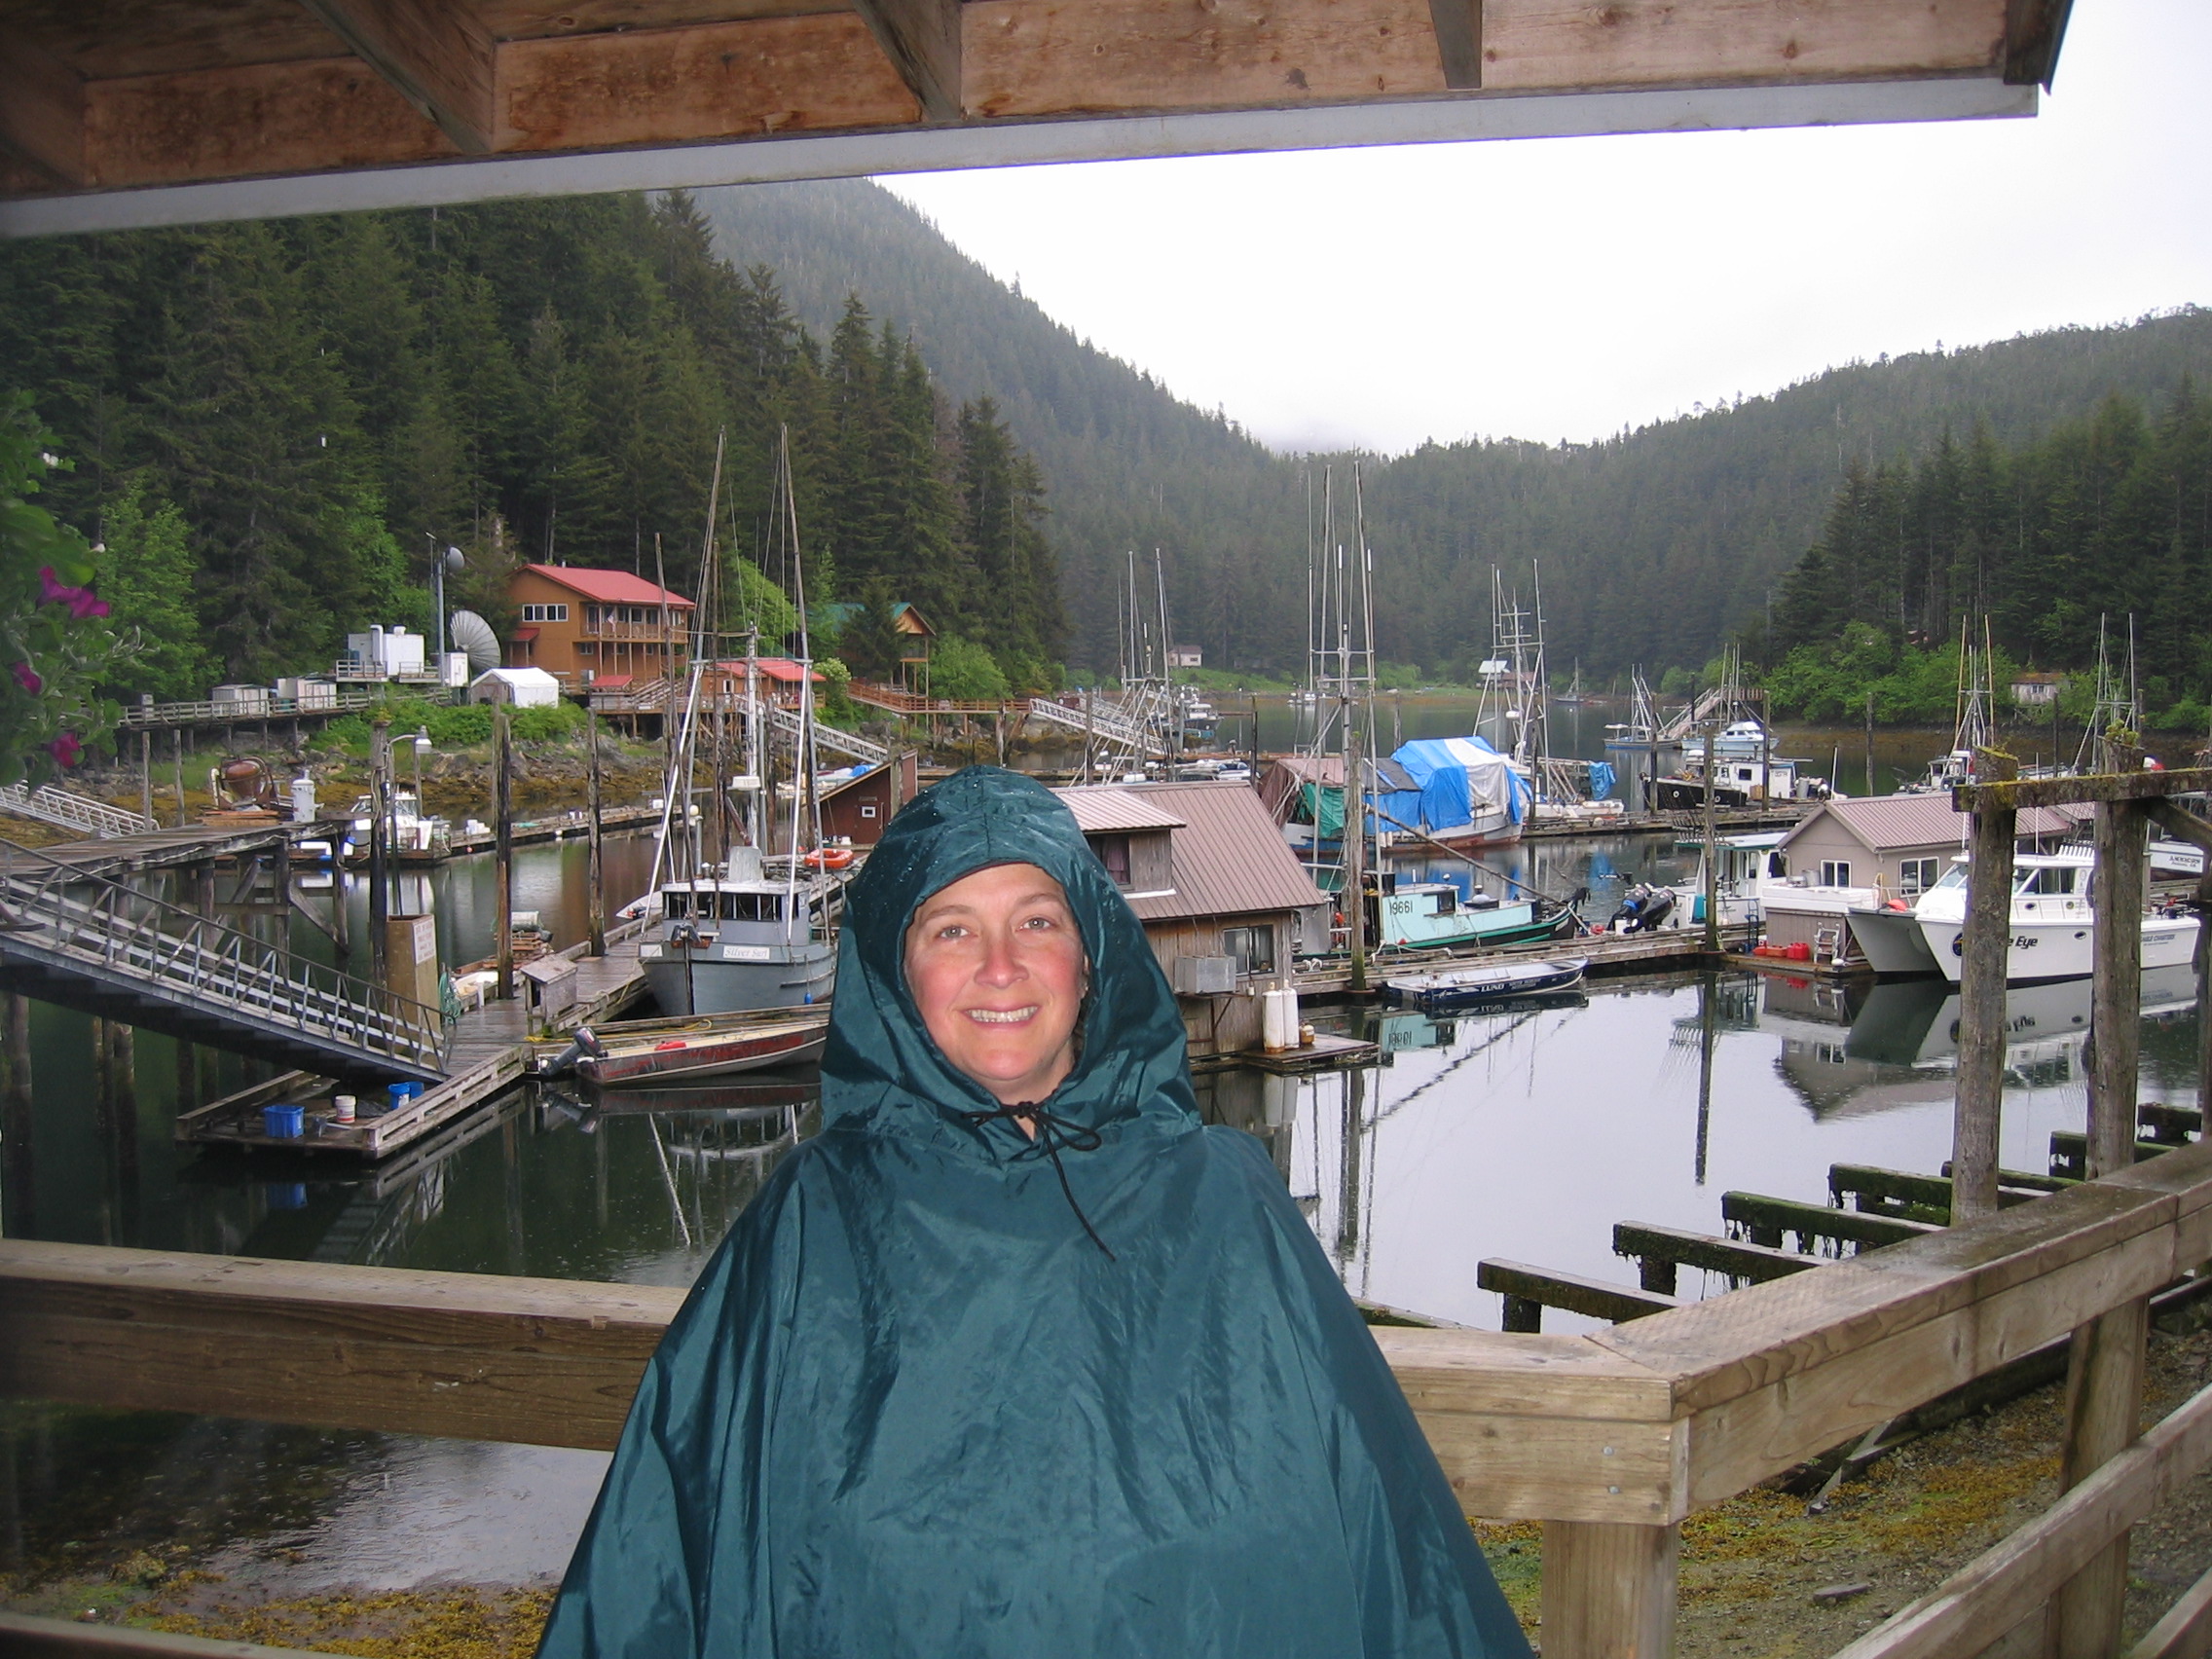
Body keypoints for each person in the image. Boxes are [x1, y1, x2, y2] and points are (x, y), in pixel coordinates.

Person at [536, 766, 1530, 1659]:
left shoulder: (1230, 1203)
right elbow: (657, 1568)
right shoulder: (806, 1232)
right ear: (893, 972)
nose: (1000, 965)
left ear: (1092, 955)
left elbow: (1398, 1558)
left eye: (1038, 921)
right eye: (951, 928)